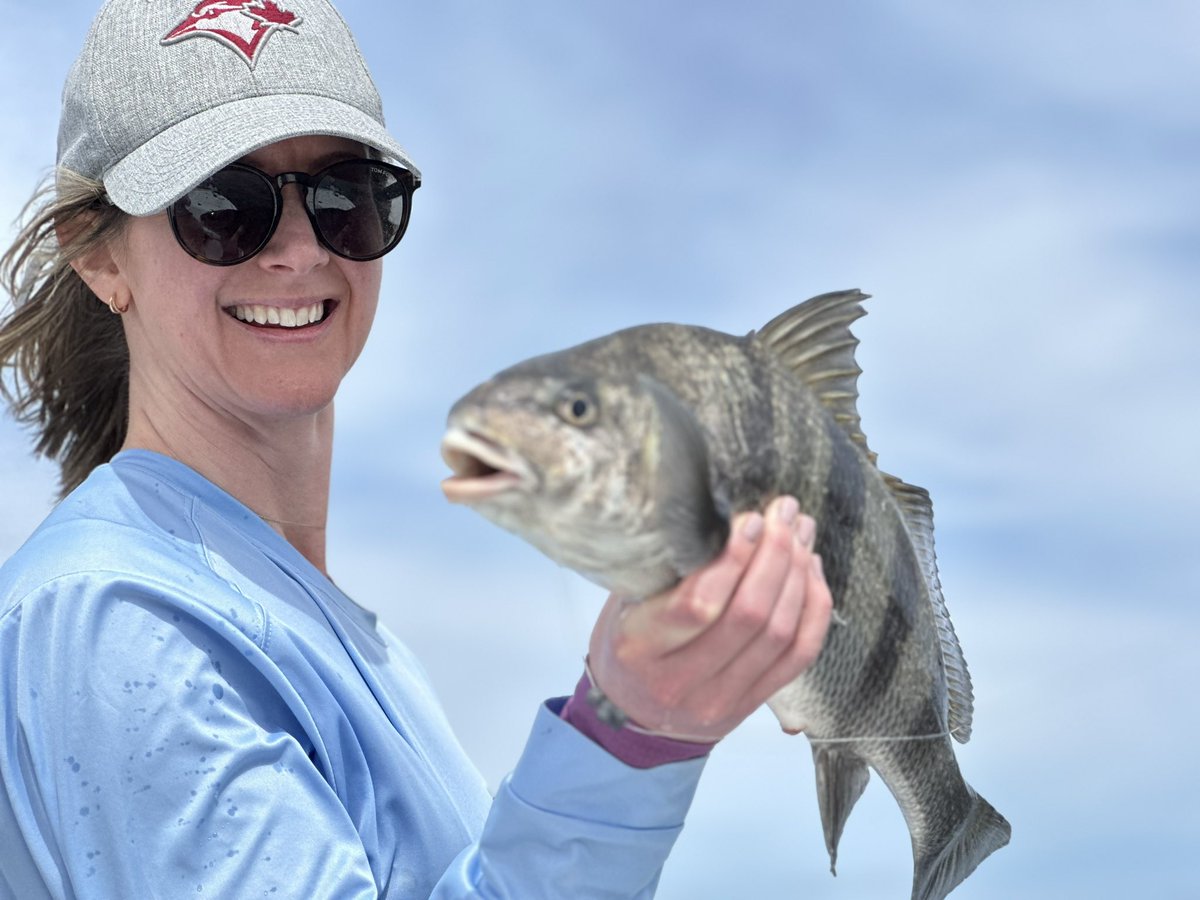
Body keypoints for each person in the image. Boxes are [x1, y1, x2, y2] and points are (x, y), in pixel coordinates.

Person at [0, 1, 833, 897]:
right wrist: (626, 737)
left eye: (344, 197)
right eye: (221, 205)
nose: (296, 251)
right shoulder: (124, 616)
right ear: (97, 255)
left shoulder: (317, 627)